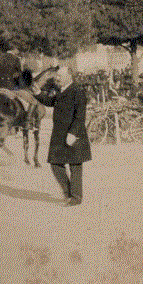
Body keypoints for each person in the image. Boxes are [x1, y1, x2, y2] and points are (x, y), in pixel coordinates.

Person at [32, 66, 91, 206]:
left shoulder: (78, 91)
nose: (56, 78)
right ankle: (68, 192)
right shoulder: (60, 90)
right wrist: (39, 93)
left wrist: (73, 134)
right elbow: (51, 102)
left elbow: (80, 117)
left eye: (60, 76)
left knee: (75, 165)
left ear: (69, 77)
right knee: (55, 163)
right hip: (59, 133)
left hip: (73, 134)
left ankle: (76, 198)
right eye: (57, 75)